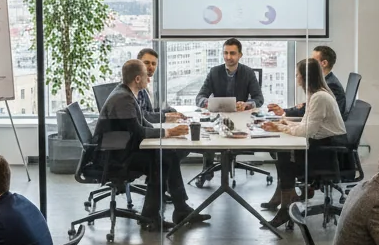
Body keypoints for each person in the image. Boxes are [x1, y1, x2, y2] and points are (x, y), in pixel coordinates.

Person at [95, 58, 209, 232]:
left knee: (167, 156)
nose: (149, 78)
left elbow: (143, 123)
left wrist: (169, 132)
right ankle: (153, 216)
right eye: (145, 75)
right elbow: (138, 132)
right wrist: (169, 133)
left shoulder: (127, 93)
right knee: (162, 160)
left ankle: (178, 210)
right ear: (137, 79)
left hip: (121, 148)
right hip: (114, 155)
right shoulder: (123, 99)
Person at [260, 57, 346, 229]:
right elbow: (305, 124)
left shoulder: (320, 97)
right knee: (281, 153)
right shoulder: (317, 94)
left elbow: (307, 131)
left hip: (327, 153)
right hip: (322, 146)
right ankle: (285, 199)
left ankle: (286, 205)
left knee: (284, 157)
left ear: (306, 77)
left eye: (298, 74)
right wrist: (284, 123)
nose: (297, 78)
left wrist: (281, 128)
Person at [267, 45, 346, 119]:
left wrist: (284, 111)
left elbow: (312, 110)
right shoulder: (325, 81)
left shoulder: (330, 85)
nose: (310, 63)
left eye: (313, 60)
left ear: (324, 63)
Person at [194, 38, 264, 110]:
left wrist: (247, 104)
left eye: (232, 53)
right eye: (225, 53)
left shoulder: (248, 72)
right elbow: (199, 98)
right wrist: (207, 103)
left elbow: (259, 99)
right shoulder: (214, 72)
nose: (228, 57)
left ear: (240, 55)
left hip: (241, 114)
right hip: (218, 115)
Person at [136, 48, 183, 122]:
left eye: (153, 64)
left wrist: (169, 111)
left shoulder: (148, 84)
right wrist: (164, 115)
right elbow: (141, 115)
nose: (151, 67)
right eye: (147, 63)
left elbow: (149, 111)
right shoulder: (135, 84)